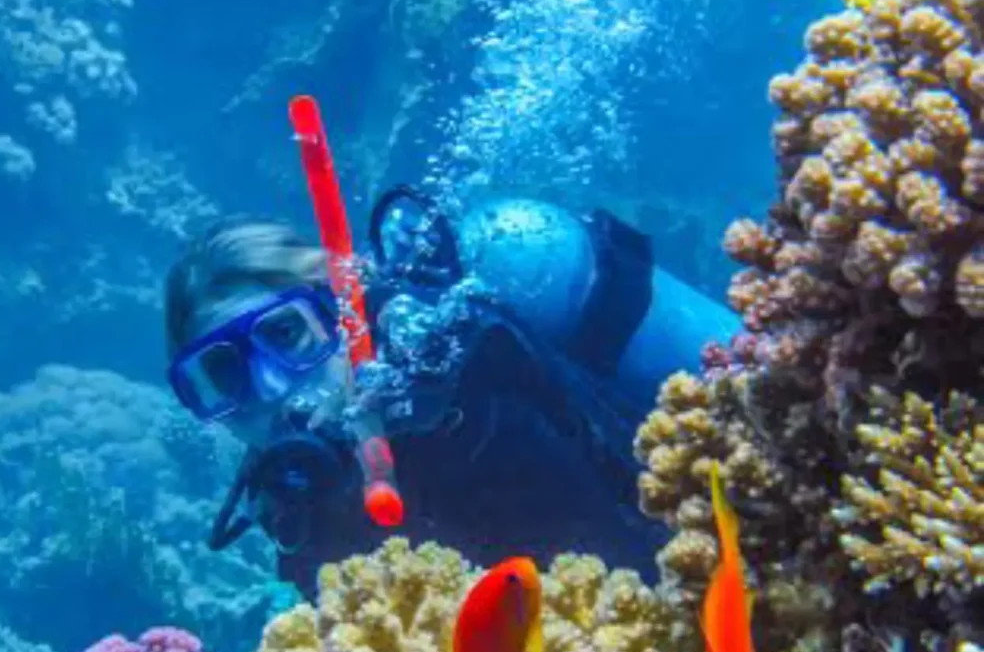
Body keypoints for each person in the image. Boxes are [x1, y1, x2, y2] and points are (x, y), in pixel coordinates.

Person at [164, 186, 740, 588]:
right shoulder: (290, 502)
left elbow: (630, 553)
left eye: (286, 334)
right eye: (224, 375)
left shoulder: (464, 381)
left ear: (340, 314)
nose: (268, 387)